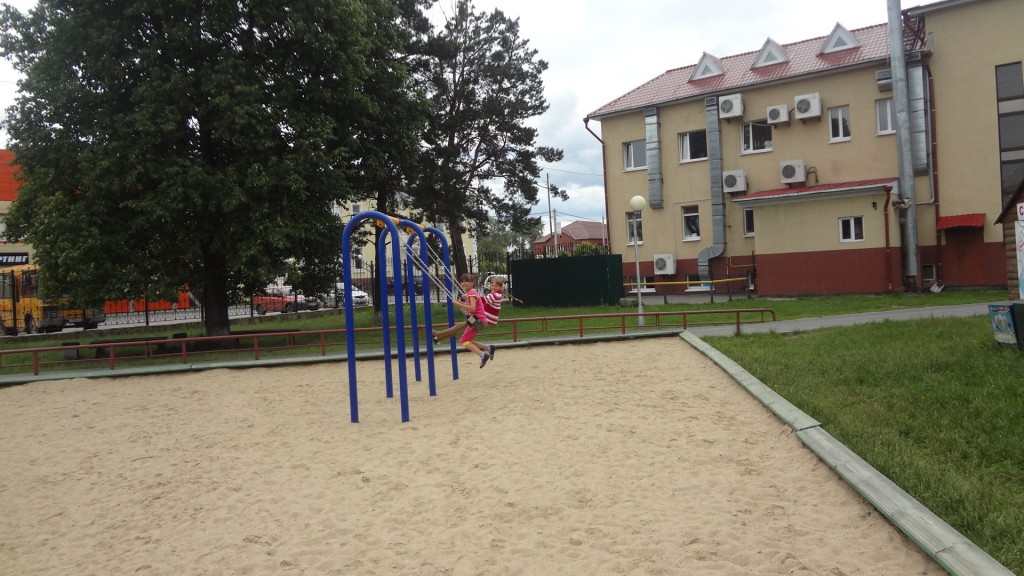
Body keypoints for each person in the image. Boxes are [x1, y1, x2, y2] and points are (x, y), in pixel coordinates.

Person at [432, 274, 503, 368]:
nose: (463, 283)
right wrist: (462, 302)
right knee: (460, 327)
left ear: (472, 283)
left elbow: (474, 307)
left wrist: (460, 304)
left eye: (466, 281)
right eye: (462, 281)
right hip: (478, 318)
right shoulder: (472, 293)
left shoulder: (479, 293)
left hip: (480, 319)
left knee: (464, 340)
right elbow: (472, 306)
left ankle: (482, 355)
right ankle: (439, 336)